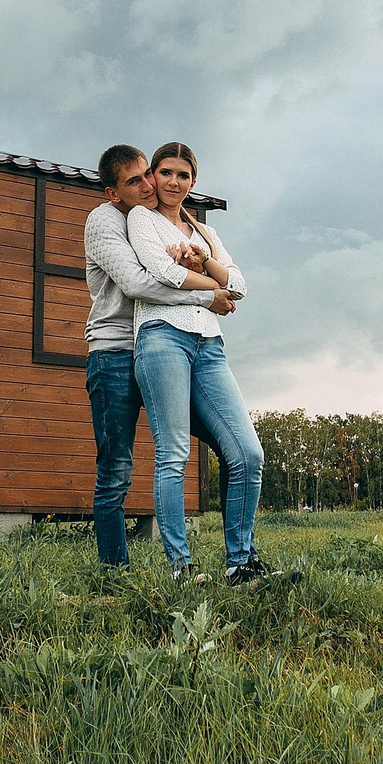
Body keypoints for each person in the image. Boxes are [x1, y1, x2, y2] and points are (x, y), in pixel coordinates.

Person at [83, 144, 236, 573]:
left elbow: (197, 270)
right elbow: (135, 282)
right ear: (113, 193)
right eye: (135, 181)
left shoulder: (156, 222)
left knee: (230, 445)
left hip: (161, 347)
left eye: (146, 174)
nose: (150, 184)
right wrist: (209, 296)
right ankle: (116, 569)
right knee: (116, 467)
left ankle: (238, 559)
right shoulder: (104, 220)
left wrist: (205, 275)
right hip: (114, 351)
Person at [126, 142, 268, 584]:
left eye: (183, 175)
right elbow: (161, 274)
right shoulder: (141, 219)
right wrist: (212, 287)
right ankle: (181, 568)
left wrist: (201, 259)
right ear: (153, 175)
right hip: (161, 337)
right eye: (165, 172)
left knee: (247, 452)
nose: (173, 182)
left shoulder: (204, 234)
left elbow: (241, 285)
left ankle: (240, 563)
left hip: (209, 345)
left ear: (193, 182)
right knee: (174, 453)